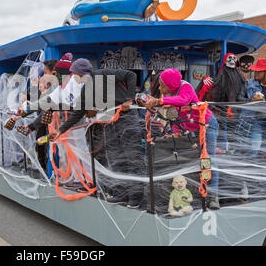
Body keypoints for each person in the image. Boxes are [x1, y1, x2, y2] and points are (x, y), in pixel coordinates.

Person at [51, 58, 145, 208]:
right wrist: (60, 130)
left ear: (79, 73)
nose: (73, 78)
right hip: (109, 122)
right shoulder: (85, 90)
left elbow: (130, 75)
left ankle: (136, 196)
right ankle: (120, 193)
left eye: (73, 74)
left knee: (132, 157)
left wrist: (129, 98)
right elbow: (78, 112)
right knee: (115, 158)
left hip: (126, 118)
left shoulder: (103, 74)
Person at [143, 68, 220, 209]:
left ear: (170, 84)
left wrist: (159, 101)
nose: (160, 88)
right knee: (194, 159)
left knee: (208, 159)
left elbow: (183, 100)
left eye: (162, 85)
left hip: (206, 125)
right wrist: (174, 132)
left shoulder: (186, 87)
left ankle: (214, 196)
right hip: (192, 128)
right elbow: (176, 116)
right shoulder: (170, 93)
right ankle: (201, 193)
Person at [236, 58, 266, 157]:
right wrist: (251, 100)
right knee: (254, 148)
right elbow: (238, 99)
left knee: (265, 151)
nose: (255, 72)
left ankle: (261, 169)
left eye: (258, 71)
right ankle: (250, 169)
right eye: (255, 70)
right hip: (254, 120)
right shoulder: (248, 83)